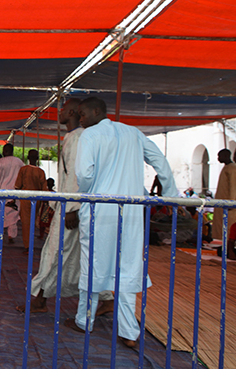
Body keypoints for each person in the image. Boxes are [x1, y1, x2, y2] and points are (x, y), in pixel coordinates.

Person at [65, 96, 176, 349]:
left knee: (92, 263)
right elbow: (160, 161)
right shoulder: (133, 133)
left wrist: (89, 193)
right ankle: (129, 332)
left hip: (100, 210)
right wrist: (171, 196)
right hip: (132, 212)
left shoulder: (90, 136)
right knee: (126, 268)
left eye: (82, 114)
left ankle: (84, 320)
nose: (80, 119)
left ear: (96, 112)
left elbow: (84, 174)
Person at [17, 98, 83, 313]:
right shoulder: (73, 138)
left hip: (69, 207)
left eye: (63, 109)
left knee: (54, 252)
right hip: (62, 204)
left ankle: (40, 298)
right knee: (67, 253)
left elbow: (75, 175)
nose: (59, 112)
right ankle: (42, 297)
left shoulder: (77, 138)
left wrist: (71, 208)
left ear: (72, 111)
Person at [14, 149, 48, 253]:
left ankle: (27, 245)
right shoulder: (41, 172)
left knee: (26, 222)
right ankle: (31, 243)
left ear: (28, 158)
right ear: (37, 158)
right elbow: (44, 188)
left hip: (25, 198)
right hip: (37, 199)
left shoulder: (23, 170)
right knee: (33, 221)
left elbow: (17, 185)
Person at [0, 144, 24, 241]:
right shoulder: (19, 162)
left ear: (4, 151)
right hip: (15, 192)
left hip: (1, 191)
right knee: (13, 214)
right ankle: (11, 235)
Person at [212, 149, 236, 239]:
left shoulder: (233, 169)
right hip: (222, 203)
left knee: (227, 228)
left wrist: (231, 203)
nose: (218, 158)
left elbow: (234, 187)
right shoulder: (227, 167)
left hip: (229, 205)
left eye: (220, 156)